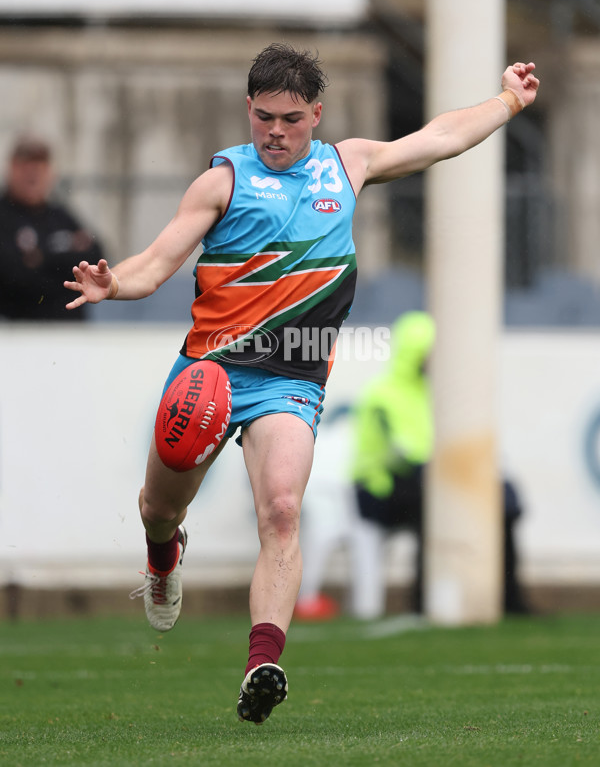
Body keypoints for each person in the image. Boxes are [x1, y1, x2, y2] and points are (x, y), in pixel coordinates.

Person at [63, 44, 539, 724]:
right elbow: (155, 263)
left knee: (282, 510)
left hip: (292, 377)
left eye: (290, 118)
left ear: (316, 113)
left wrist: (507, 103)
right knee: (156, 506)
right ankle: (163, 555)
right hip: (210, 371)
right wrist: (115, 285)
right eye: (263, 118)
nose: (276, 132)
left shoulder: (347, 165)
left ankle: (264, 663)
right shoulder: (222, 180)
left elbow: (438, 140)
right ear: (248, 110)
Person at [351, 311, 529, 619]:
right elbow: (401, 453)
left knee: (502, 498)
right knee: (430, 499)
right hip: (380, 488)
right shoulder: (383, 394)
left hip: (427, 478)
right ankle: (424, 597)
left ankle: (510, 595)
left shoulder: (439, 393)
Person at [0, 135, 104, 321]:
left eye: (39, 165)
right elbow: (14, 276)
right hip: (15, 336)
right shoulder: (4, 216)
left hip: (69, 335)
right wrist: (64, 263)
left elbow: (97, 257)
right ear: (12, 169)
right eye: (25, 165)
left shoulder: (60, 215)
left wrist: (41, 258)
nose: (32, 173)